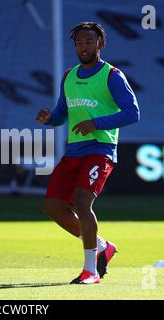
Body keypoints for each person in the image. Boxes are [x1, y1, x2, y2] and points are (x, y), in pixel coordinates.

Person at [36, 22, 140, 284]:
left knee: (82, 202)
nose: (84, 47)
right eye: (80, 43)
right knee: (53, 206)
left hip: (101, 149)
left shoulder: (112, 75)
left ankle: (90, 271)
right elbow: (62, 113)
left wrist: (97, 123)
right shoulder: (69, 75)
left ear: (100, 44)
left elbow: (132, 113)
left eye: (89, 42)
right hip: (74, 151)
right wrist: (50, 118)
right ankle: (103, 246)